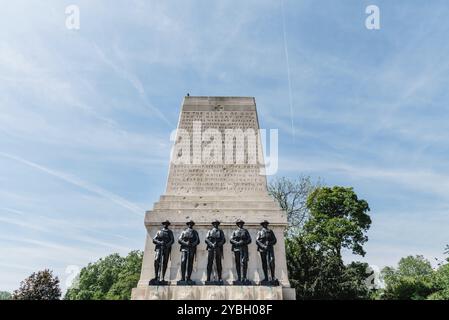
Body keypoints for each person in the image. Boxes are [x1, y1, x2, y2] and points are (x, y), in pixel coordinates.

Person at [150, 220, 174, 284]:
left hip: (166, 249)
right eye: (165, 224)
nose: (166, 225)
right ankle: (156, 276)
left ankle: (162, 277)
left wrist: (167, 245)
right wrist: (160, 242)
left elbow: (172, 240)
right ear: (163, 224)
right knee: (157, 260)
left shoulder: (170, 232)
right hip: (159, 248)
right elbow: (154, 239)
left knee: (165, 262)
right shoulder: (159, 231)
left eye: (167, 224)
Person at [256, 220, 278, 284]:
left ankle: (273, 276)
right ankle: (266, 277)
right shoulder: (259, 232)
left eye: (266, 224)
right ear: (262, 225)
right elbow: (257, 240)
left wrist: (270, 243)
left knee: (271, 261)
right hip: (262, 249)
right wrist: (263, 246)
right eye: (263, 224)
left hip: (270, 248)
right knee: (264, 263)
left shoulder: (270, 231)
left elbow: (274, 240)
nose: (265, 225)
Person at [230, 219, 252, 284]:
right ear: (237, 224)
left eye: (241, 223)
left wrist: (243, 242)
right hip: (236, 249)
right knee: (238, 263)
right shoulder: (234, 231)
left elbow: (249, 240)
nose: (240, 224)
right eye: (239, 223)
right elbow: (231, 239)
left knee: (244, 262)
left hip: (244, 248)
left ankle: (244, 277)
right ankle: (239, 278)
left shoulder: (245, 231)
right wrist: (236, 243)